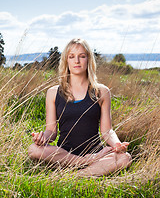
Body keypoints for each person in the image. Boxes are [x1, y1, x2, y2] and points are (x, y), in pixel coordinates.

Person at [28, 38, 132, 176]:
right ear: (66, 61)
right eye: (71, 57)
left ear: (88, 60)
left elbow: (107, 131)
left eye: (82, 56)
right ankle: (84, 164)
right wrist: (42, 138)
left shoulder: (101, 91)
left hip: (96, 153)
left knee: (125, 158)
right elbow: (51, 132)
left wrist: (117, 144)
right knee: (33, 149)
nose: (76, 61)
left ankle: (75, 175)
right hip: (64, 154)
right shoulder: (53, 93)